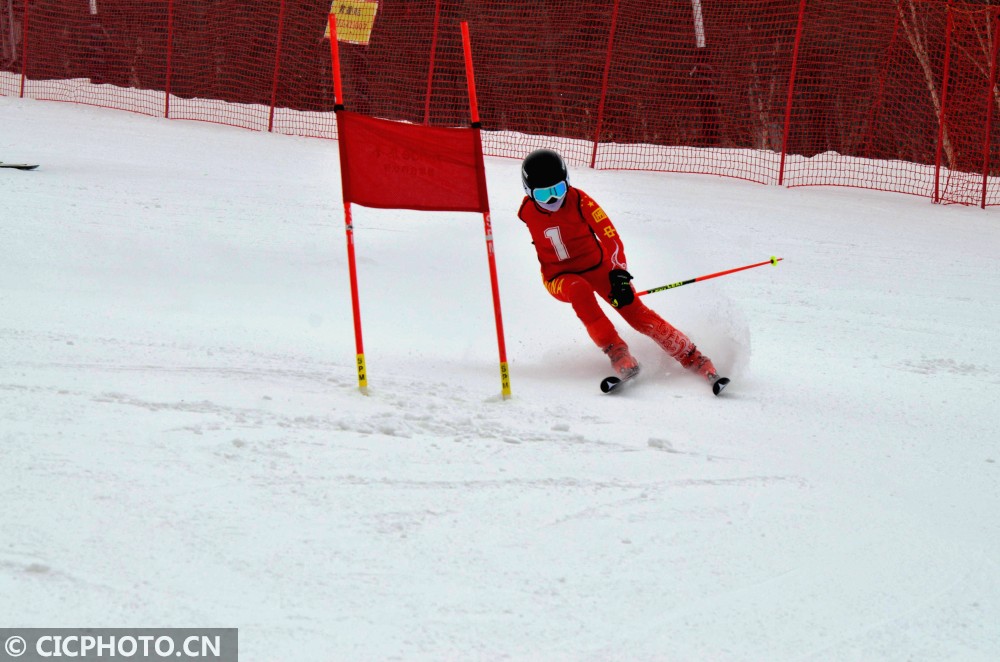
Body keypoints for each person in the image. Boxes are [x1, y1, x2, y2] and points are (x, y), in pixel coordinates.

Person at [517, 148, 726, 391]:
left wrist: (619, 274)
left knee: (635, 311)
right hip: (557, 277)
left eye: (559, 190)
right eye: (543, 194)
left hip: (598, 266)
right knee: (579, 290)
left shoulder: (580, 200)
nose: (553, 200)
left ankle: (693, 357)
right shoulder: (526, 211)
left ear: (568, 183)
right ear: (529, 193)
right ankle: (616, 352)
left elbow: (610, 236)